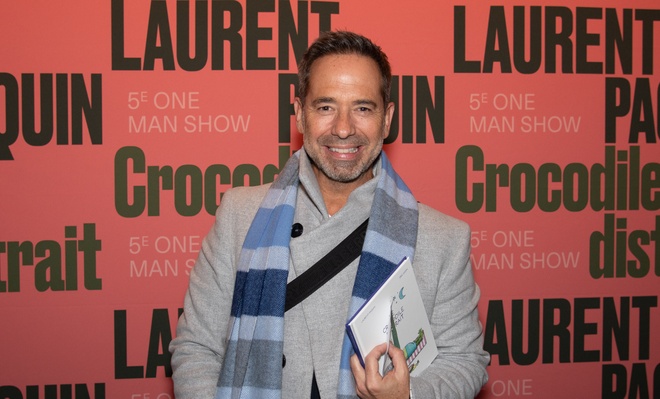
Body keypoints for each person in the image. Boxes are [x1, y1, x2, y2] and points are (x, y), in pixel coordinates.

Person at [169, 30, 489, 399]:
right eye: (325, 107)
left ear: (387, 120)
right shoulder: (240, 215)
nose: (342, 128)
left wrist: (407, 396)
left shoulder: (441, 237)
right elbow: (196, 349)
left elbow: (464, 360)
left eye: (363, 108)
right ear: (299, 115)